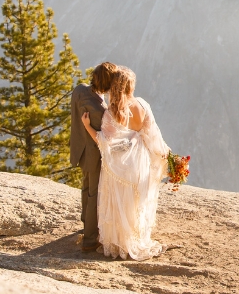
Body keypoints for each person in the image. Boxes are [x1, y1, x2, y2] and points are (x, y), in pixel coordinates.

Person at [81, 65, 171, 260]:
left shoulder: (111, 113)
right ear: (131, 86)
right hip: (140, 161)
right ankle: (136, 239)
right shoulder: (142, 106)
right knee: (136, 202)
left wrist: (87, 126)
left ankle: (120, 242)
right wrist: (163, 152)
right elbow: (152, 134)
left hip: (119, 164)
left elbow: (102, 141)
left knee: (119, 201)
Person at [70, 61, 116, 253]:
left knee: (86, 187)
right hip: (94, 154)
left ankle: (85, 223)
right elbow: (102, 138)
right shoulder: (100, 111)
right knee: (94, 193)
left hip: (79, 149)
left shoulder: (80, 90)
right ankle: (90, 239)